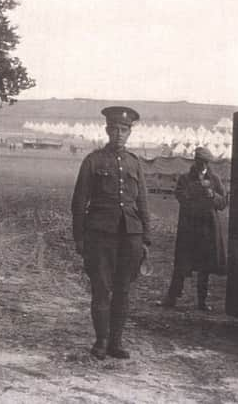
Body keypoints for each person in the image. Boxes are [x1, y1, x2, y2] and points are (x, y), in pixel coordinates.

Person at [71, 106, 150, 360]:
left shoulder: (134, 163)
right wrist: (80, 238)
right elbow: (79, 202)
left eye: (124, 130)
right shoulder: (93, 161)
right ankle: (102, 341)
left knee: (123, 289)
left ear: (129, 133)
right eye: (114, 129)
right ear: (107, 130)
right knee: (102, 289)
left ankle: (117, 341)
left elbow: (143, 203)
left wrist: (146, 238)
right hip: (100, 235)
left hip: (130, 236)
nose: (119, 134)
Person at [158, 147, 227, 311]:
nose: (202, 165)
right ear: (194, 161)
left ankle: (202, 302)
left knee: (205, 267)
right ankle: (172, 298)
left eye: (205, 162)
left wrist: (212, 195)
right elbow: (180, 196)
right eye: (199, 161)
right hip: (189, 228)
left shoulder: (215, 179)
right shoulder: (185, 179)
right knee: (182, 264)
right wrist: (197, 191)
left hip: (208, 229)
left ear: (208, 163)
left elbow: (224, 203)